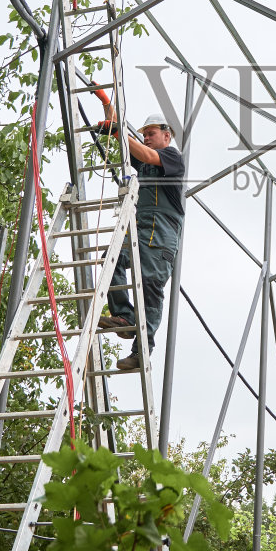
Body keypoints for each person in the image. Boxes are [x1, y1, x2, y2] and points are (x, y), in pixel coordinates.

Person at [94, 106, 186, 373]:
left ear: (166, 136)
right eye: (144, 134)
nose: (146, 138)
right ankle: (124, 316)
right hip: (140, 226)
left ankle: (142, 351)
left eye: (151, 133)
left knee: (150, 285)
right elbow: (133, 148)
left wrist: (119, 132)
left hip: (163, 232)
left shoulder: (172, 157)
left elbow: (143, 151)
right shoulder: (145, 161)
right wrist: (106, 104)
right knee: (112, 260)